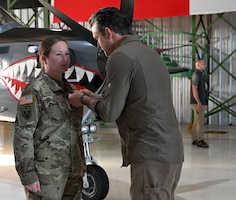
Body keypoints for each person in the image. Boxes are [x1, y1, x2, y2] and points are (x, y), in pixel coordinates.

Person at [68, 7, 184, 200]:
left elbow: (109, 113)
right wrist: (94, 96)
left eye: (97, 38)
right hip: (170, 149)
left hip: (151, 154)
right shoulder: (148, 52)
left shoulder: (119, 57)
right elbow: (134, 100)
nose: (98, 45)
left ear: (108, 33)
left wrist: (83, 99)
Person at [13, 35, 86, 200]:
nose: (65, 59)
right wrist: (28, 175)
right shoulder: (35, 91)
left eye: (67, 54)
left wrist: (81, 167)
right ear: (44, 59)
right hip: (47, 176)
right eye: (58, 54)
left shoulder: (71, 91)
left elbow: (76, 131)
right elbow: (23, 135)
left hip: (73, 173)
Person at [190, 59, 209, 148]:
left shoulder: (200, 75)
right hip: (197, 102)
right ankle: (200, 140)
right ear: (198, 65)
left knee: (196, 121)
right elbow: (194, 89)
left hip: (199, 102)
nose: (204, 65)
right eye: (203, 64)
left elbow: (202, 91)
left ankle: (195, 139)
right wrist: (199, 103)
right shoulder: (196, 75)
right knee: (200, 122)